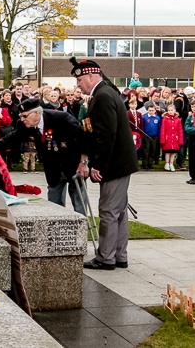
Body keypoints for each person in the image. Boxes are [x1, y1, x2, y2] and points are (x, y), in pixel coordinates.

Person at [71, 58, 139, 271]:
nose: (78, 85)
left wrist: (97, 165)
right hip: (120, 162)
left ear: (91, 76)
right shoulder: (105, 93)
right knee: (118, 211)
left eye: (80, 79)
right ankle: (119, 255)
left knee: (109, 210)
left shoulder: (102, 96)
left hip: (113, 164)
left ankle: (106, 257)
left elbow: (106, 136)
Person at [0, 98, 89, 215]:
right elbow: (9, 140)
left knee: (80, 206)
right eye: (21, 116)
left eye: (25, 116)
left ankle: (83, 230)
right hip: (53, 169)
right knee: (54, 208)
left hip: (73, 165)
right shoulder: (24, 125)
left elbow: (83, 137)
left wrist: (83, 162)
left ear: (36, 113)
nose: (22, 119)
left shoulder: (61, 118)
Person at [160, 104, 183, 171]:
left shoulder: (178, 120)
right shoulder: (165, 119)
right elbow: (163, 130)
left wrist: (180, 140)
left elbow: (180, 130)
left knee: (173, 152)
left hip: (175, 138)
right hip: (168, 138)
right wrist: (163, 140)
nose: (170, 111)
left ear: (175, 110)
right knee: (167, 152)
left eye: (171, 110)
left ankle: (171, 163)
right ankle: (167, 163)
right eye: (169, 110)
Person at [141, 104, 161, 169]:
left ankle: (150, 163)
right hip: (146, 136)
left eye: (152, 110)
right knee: (146, 150)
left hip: (154, 136)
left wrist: (158, 135)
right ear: (147, 110)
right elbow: (142, 126)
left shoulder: (157, 118)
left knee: (153, 150)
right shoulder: (144, 117)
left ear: (155, 111)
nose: (151, 112)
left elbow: (159, 127)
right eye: (149, 110)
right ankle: (145, 164)